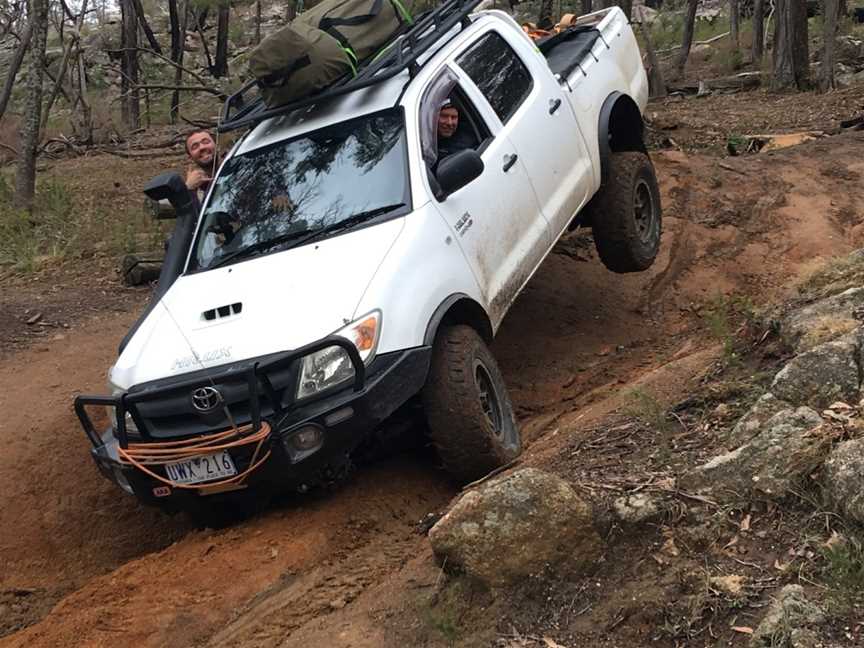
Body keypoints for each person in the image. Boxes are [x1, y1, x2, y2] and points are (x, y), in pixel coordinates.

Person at [184, 130, 220, 197]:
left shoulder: (237, 165)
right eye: (195, 147)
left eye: (206, 142)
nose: (202, 147)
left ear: (217, 146)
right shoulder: (197, 187)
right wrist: (188, 188)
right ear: (190, 157)